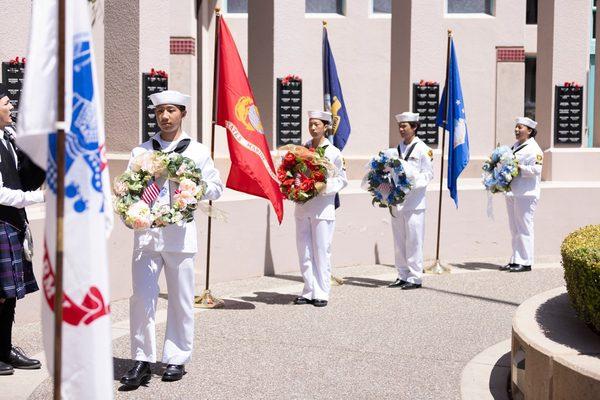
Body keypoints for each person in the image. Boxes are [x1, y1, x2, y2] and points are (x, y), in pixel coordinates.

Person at [120, 90, 223, 387]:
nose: (165, 117)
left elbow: (216, 187)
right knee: (142, 298)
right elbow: (129, 189)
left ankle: (176, 357)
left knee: (179, 299)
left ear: (182, 114)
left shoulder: (197, 151)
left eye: (171, 111)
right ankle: (141, 359)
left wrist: (192, 186)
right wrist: (127, 204)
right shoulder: (141, 152)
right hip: (147, 235)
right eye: (160, 111)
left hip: (179, 235)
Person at [0, 83, 45, 375]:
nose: (11, 107)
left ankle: (4, 348)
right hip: (2, 220)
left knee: (10, 292)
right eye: (6, 102)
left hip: (13, 221)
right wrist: (43, 197)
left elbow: (24, 177)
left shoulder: (9, 135)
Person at [293, 110, 347, 308]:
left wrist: (324, 186)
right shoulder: (301, 149)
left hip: (323, 208)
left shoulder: (333, 152)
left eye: (317, 124)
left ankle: (322, 292)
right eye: (310, 124)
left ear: (326, 126)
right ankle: (308, 290)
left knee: (321, 250)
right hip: (303, 206)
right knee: (304, 251)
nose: (313, 127)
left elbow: (342, 180)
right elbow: (293, 172)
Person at [384, 112, 433, 290]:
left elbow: (428, 175)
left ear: (414, 127)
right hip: (397, 201)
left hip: (414, 203)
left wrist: (409, 184)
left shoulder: (422, 149)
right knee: (399, 240)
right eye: (400, 126)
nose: (402, 129)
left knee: (413, 240)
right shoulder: (397, 149)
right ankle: (402, 274)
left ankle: (415, 276)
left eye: (405, 126)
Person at [500, 117, 543, 273]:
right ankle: (515, 259)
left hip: (526, 193)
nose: (516, 130)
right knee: (514, 228)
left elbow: (536, 170)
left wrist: (519, 166)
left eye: (520, 128)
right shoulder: (515, 146)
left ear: (529, 131)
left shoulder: (534, 149)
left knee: (524, 227)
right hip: (513, 191)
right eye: (516, 127)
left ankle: (525, 262)